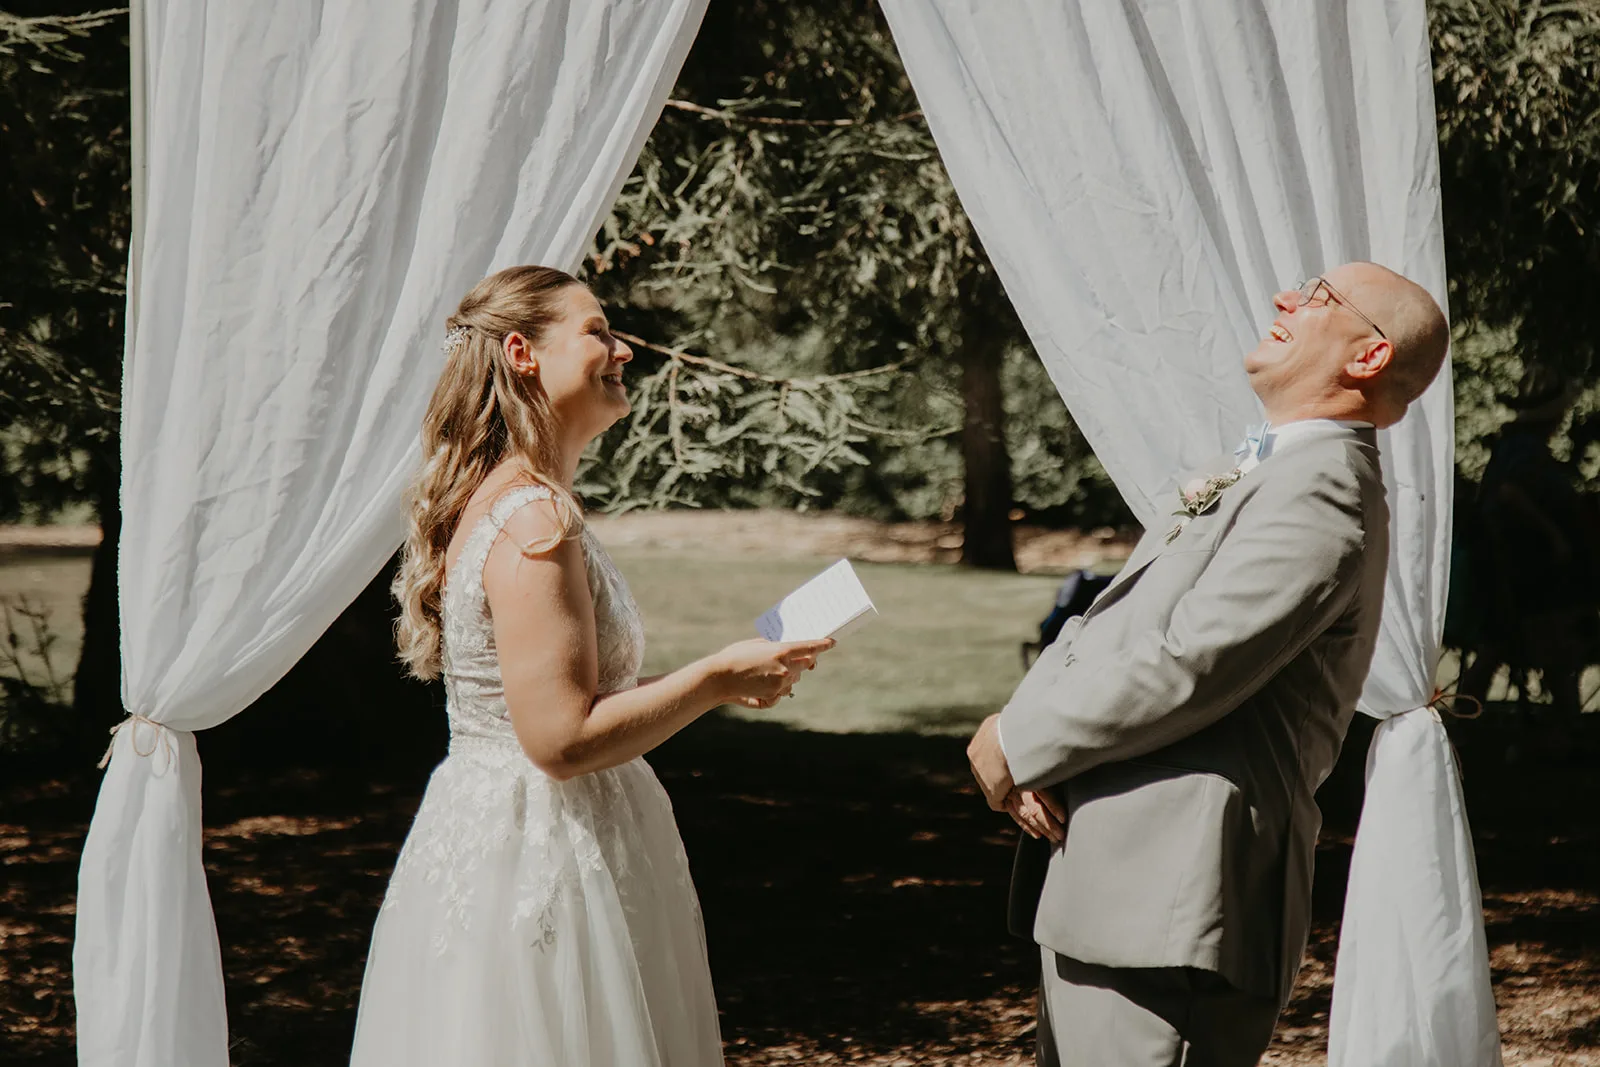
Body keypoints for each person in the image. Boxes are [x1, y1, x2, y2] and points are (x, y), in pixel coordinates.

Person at [967, 262, 1449, 1066]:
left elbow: (1190, 661)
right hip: (1116, 888)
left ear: (1367, 357)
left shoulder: (1323, 490)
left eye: (1318, 296)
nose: (1285, 299)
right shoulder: (1281, 468)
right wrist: (1022, 727)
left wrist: (1019, 740)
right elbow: (1114, 620)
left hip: (1172, 905)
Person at [349, 265, 832, 1067]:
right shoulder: (533, 516)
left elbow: (574, 698)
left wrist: (726, 676)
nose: (623, 350)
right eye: (597, 331)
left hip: (518, 829)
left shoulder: (519, 499)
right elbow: (560, 739)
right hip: (542, 850)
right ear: (522, 353)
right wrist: (713, 678)